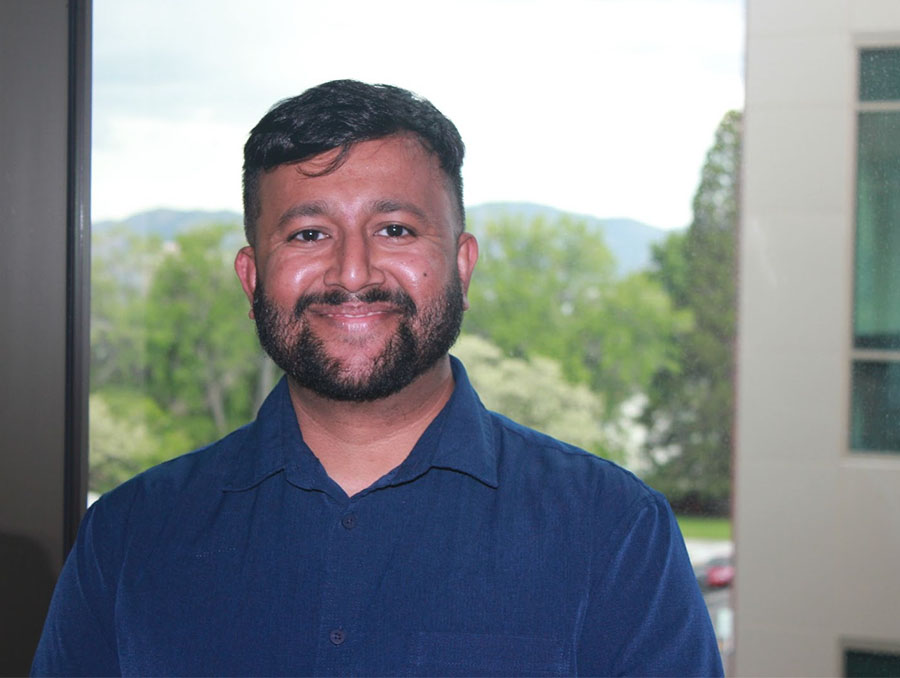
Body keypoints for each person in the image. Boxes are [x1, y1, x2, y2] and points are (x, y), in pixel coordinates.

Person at [32, 80, 723, 677]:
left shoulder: (615, 533)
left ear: (461, 264)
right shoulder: (127, 541)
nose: (353, 272)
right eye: (308, 234)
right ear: (252, 278)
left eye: (394, 229)